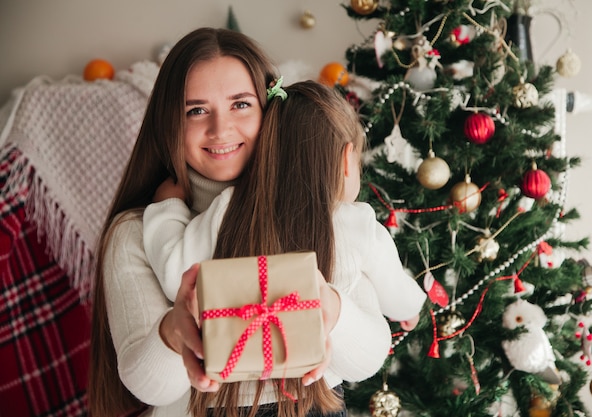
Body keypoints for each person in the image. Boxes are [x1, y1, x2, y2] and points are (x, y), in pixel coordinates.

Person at [88, 28, 393, 417]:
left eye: (241, 104)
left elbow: (367, 359)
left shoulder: (322, 214)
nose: (220, 129)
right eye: (196, 110)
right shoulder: (135, 232)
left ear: (272, 109)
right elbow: (147, 385)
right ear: (169, 123)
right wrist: (173, 333)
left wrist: (334, 311)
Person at [143, 80, 426, 334]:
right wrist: (410, 309)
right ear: (346, 160)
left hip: (248, 356)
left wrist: (168, 206)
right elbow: (394, 288)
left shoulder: (228, 206)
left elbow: (174, 276)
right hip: (320, 377)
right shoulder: (359, 223)